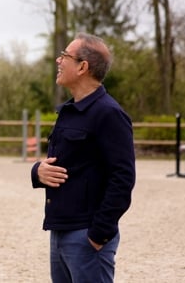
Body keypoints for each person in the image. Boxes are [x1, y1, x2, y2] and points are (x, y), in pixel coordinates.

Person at [30, 32, 136, 283]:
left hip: (86, 236)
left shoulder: (109, 114)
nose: (58, 60)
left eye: (65, 55)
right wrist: (37, 172)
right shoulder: (69, 111)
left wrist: (99, 234)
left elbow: (123, 178)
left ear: (83, 67)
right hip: (59, 230)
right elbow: (61, 165)